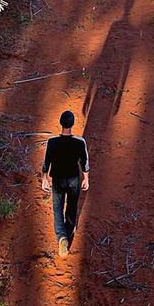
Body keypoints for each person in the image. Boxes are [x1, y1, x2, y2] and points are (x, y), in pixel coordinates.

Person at [41, 110, 89, 258]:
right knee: (72, 207)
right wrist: (86, 178)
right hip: (73, 179)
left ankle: (61, 237)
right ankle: (68, 235)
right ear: (72, 124)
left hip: (58, 180)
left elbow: (46, 162)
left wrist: (44, 178)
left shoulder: (52, 141)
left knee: (57, 208)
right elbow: (85, 162)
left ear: (61, 123)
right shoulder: (80, 142)